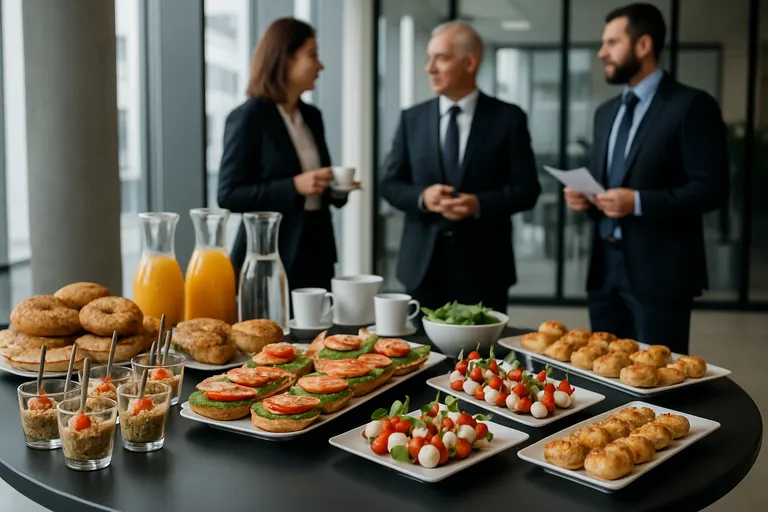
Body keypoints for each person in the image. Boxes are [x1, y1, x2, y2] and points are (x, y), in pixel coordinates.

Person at [564, 3, 728, 354]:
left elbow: (711, 190)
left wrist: (637, 202)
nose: (601, 52)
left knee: (658, 383)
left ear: (643, 46)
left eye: (611, 42)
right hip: (605, 269)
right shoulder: (605, 112)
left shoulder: (692, 106)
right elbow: (608, 180)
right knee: (605, 374)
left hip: (661, 272)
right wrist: (586, 198)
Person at [380, 21, 541, 315]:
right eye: (429, 58)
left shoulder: (509, 119)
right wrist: (422, 197)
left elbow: (527, 190)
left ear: (470, 62)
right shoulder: (411, 119)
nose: (429, 68)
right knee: (421, 357)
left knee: (481, 357)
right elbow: (389, 184)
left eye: (440, 58)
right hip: (422, 267)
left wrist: (478, 204)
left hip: (485, 267)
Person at [217, 18, 357, 295]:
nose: (320, 66)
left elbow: (318, 191)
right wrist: (294, 186)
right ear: (284, 58)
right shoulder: (248, 117)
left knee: (321, 337)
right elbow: (229, 194)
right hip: (269, 258)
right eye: (312, 55)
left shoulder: (312, 117)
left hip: (316, 254)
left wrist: (337, 189)